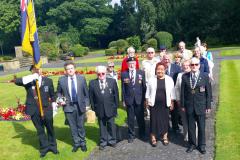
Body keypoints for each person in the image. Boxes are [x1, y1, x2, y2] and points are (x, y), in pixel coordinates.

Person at [14, 65, 58, 158]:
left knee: (50, 129)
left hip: (47, 110)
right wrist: (32, 77)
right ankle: (44, 148)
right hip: (34, 111)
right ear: (31, 72)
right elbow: (17, 81)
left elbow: (52, 95)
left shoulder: (48, 81)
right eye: (34, 70)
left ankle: (53, 147)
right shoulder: (28, 81)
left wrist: (54, 105)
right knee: (40, 130)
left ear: (41, 70)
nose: (37, 71)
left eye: (38, 69)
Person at [57, 61, 89, 152]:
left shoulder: (81, 79)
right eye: (68, 69)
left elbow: (86, 94)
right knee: (72, 126)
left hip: (80, 106)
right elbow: (58, 92)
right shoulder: (61, 80)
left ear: (74, 69)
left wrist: (87, 105)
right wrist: (60, 99)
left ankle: (83, 143)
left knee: (81, 126)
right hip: (68, 106)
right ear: (65, 71)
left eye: (71, 68)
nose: (70, 70)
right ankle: (76, 143)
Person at [181, 57, 211, 154]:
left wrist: (208, 106)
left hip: (201, 105)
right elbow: (182, 92)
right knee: (191, 127)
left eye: (196, 64)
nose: (194, 66)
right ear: (190, 66)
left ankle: (202, 145)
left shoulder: (205, 76)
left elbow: (208, 93)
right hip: (189, 106)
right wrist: (182, 105)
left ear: (199, 65)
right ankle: (192, 144)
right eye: (192, 65)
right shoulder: (185, 76)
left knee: (202, 127)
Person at [89, 66, 119, 150]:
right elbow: (91, 97)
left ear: (106, 73)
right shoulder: (92, 83)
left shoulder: (112, 81)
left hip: (110, 108)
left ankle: (112, 140)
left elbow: (116, 95)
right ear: (96, 74)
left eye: (103, 73)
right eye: (99, 74)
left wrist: (115, 107)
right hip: (99, 109)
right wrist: (93, 108)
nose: (101, 75)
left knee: (111, 125)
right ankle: (103, 141)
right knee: (102, 126)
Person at [145, 62, 175, 147]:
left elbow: (172, 92)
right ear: (155, 70)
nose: (160, 71)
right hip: (154, 104)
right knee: (153, 120)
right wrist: (147, 101)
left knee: (165, 120)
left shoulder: (169, 79)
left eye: (162, 69)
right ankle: (153, 137)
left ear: (165, 70)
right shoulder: (151, 79)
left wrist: (172, 102)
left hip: (165, 104)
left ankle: (165, 136)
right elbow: (148, 92)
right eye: (158, 69)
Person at [121, 57, 146, 143]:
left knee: (140, 118)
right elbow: (123, 88)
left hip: (139, 99)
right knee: (130, 119)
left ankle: (142, 133)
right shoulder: (124, 74)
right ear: (127, 65)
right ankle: (131, 135)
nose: (131, 65)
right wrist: (123, 100)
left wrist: (145, 99)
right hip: (129, 100)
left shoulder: (141, 73)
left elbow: (144, 87)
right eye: (130, 63)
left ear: (136, 64)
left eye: (133, 63)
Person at [162, 54, 182, 133]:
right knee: (165, 112)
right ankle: (166, 127)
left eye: (168, 59)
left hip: (174, 93)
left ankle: (175, 127)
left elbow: (179, 81)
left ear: (171, 59)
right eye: (165, 59)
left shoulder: (177, 68)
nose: (166, 61)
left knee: (175, 112)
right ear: (163, 60)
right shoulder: (161, 68)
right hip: (163, 93)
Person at [175, 60, 191, 141]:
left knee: (193, 120)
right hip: (182, 102)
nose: (185, 66)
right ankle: (186, 136)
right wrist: (177, 99)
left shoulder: (193, 74)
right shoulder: (179, 75)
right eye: (184, 65)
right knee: (184, 119)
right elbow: (177, 88)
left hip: (192, 101)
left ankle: (194, 135)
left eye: (187, 65)